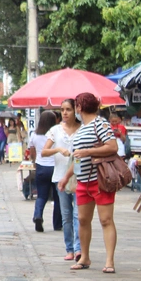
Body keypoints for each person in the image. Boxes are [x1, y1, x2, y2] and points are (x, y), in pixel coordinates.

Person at [60, 92, 119, 273]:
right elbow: (77, 157)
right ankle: (84, 257)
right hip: (82, 180)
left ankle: (109, 261)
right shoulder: (82, 129)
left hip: (100, 179)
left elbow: (112, 146)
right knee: (83, 220)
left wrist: (87, 152)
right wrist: (66, 177)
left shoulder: (99, 124)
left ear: (79, 107)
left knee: (105, 220)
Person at [43, 98, 80, 261]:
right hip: (60, 177)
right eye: (62, 109)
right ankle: (70, 248)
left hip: (79, 177)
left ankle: (79, 248)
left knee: (79, 215)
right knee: (66, 215)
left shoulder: (83, 129)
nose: (65, 113)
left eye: (68, 109)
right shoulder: (55, 130)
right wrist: (57, 149)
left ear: (75, 111)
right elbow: (43, 152)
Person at [28, 110, 62, 233]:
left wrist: (34, 162)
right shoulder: (57, 134)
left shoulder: (34, 135)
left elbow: (32, 153)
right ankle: (57, 224)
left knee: (41, 195)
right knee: (58, 197)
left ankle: (38, 215)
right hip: (56, 167)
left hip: (41, 167)